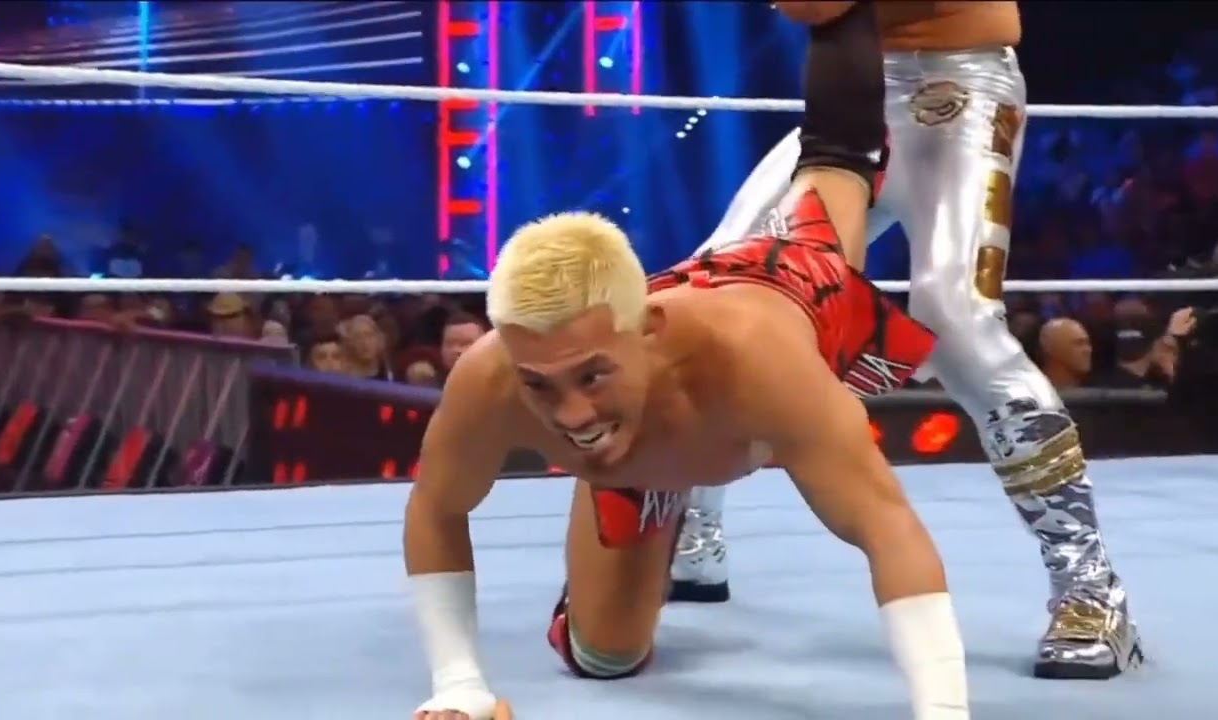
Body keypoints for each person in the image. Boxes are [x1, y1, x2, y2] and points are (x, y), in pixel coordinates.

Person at [671, 0, 1144, 681]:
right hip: (853, 95)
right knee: (721, 288)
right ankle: (695, 534)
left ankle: (1091, 588)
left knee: (955, 319)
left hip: (961, 89)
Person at [405, 189, 968, 720]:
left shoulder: (760, 362)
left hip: (796, 290)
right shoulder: (490, 377)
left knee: (832, 201)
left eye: (592, 376)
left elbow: (885, 525)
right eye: (539, 385)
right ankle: (659, 487)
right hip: (647, 437)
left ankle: (840, 144)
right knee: (604, 656)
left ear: (647, 331)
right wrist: (457, 682)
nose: (571, 414)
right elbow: (436, 507)